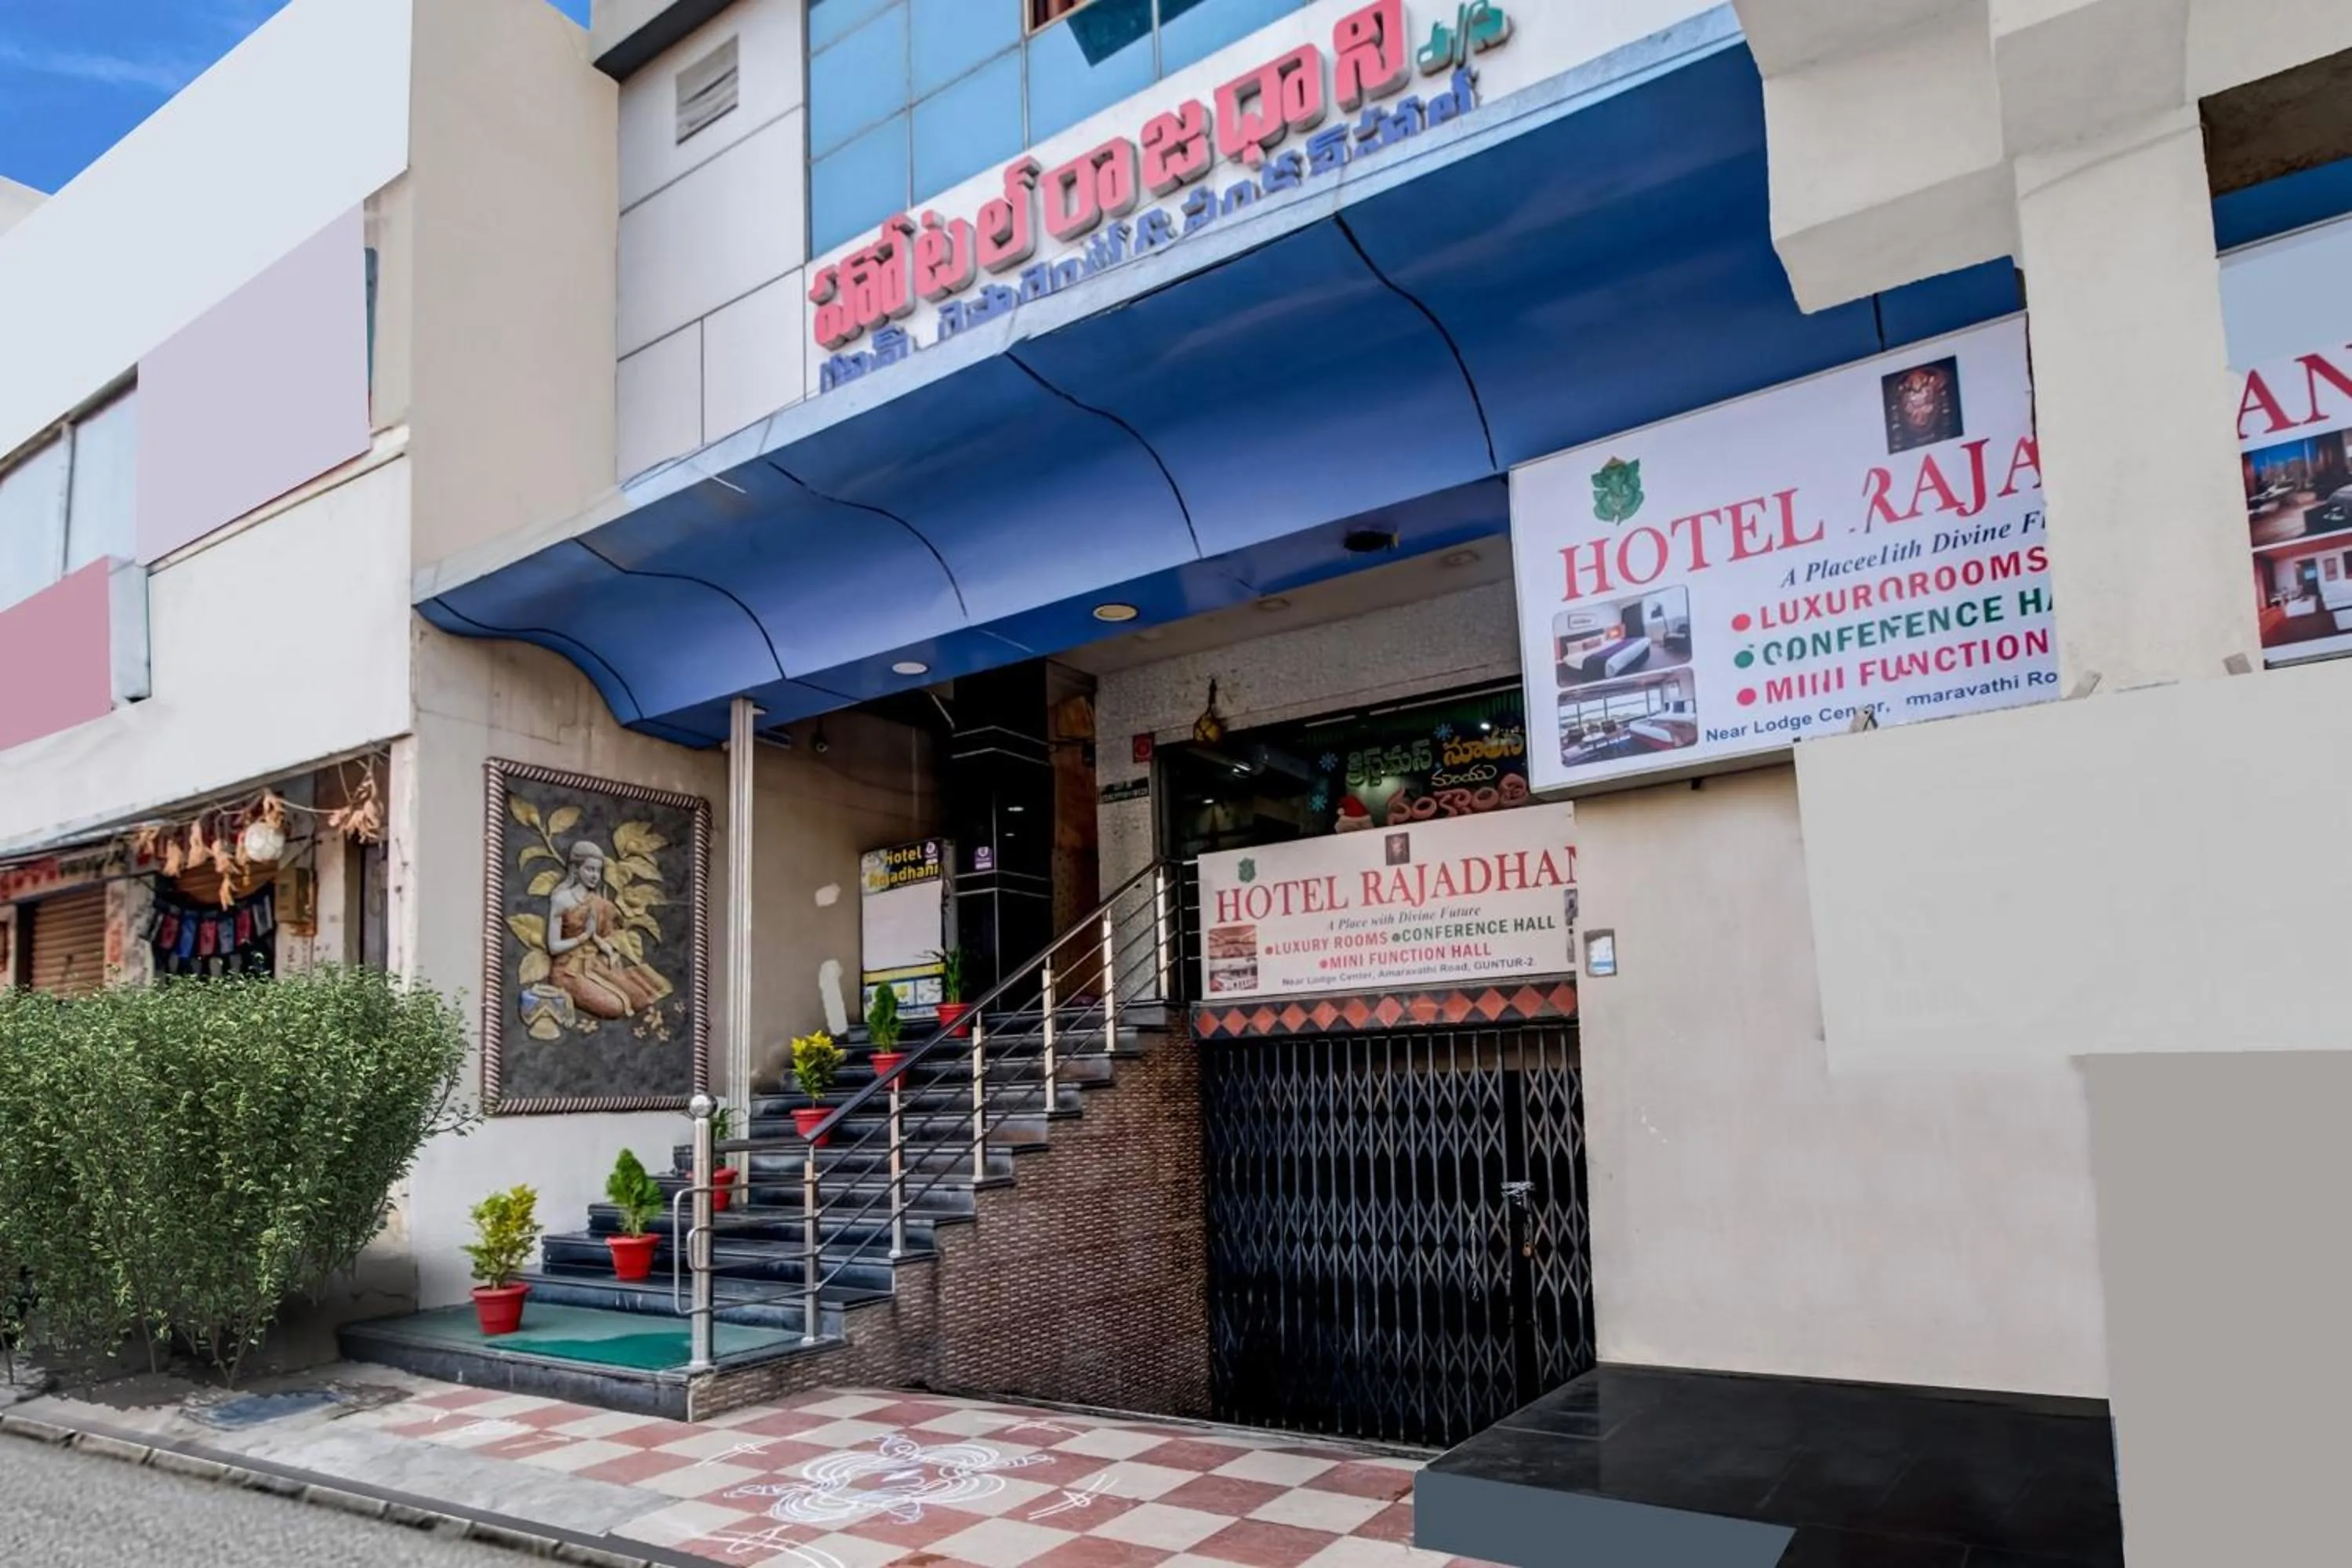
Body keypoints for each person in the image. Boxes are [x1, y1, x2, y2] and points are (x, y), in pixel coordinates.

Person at [544, 840, 672, 1020]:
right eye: (589, 869)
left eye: (598, 871)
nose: (595, 876)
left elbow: (597, 936)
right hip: (567, 972)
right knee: (616, 1007)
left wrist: (604, 946)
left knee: (639, 994)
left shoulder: (600, 904)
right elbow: (553, 947)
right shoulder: (562, 900)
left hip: (594, 964)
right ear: (575, 869)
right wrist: (583, 937)